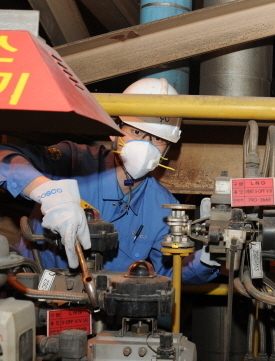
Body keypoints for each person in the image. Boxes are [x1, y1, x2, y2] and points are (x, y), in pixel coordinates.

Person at [0, 77, 220, 285]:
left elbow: (170, 273)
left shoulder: (163, 208)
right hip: (33, 289)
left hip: (100, 311)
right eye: (136, 131)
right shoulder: (74, 162)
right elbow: (3, 155)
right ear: (113, 132)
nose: (146, 145)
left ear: (169, 148)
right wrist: (45, 191)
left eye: (158, 139)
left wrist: (209, 255)